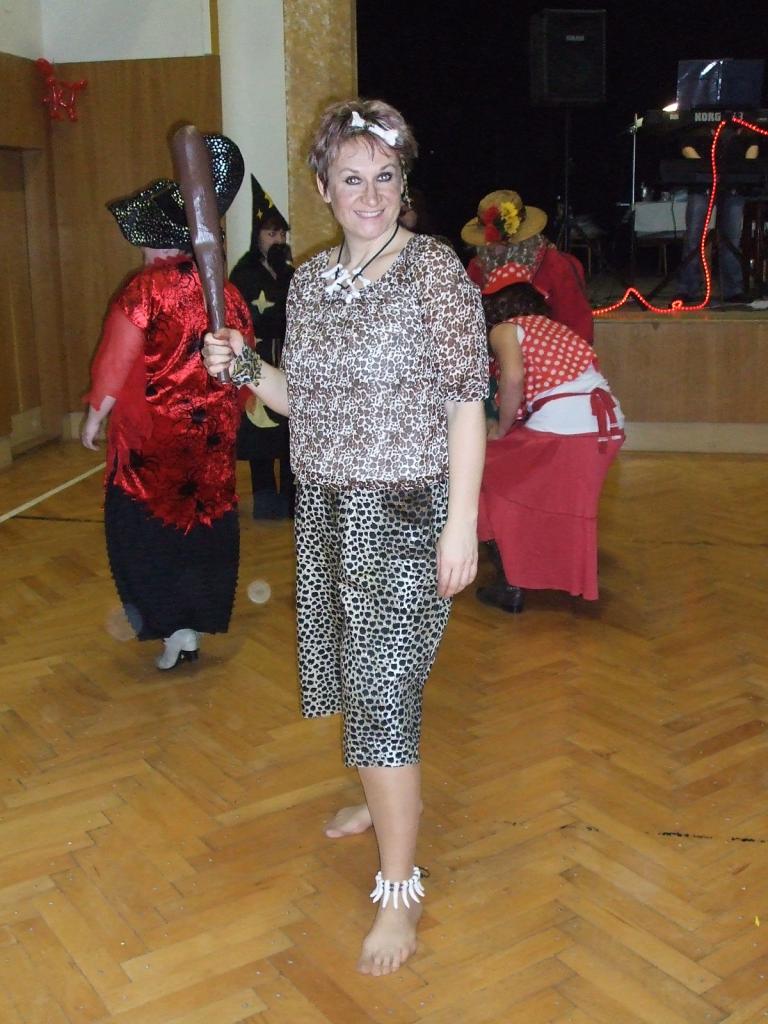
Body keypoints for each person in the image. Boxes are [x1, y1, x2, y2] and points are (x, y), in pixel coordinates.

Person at [203, 99, 488, 975]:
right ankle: (380, 790)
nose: (370, 196)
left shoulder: (433, 271)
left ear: (404, 183)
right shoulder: (313, 281)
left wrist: (462, 522)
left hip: (406, 512)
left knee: (383, 694)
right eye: (352, 179)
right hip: (328, 511)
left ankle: (399, 889)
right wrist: (243, 365)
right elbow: (302, 401)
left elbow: (465, 401)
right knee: (368, 685)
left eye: (386, 177)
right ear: (324, 189)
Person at [81, 134, 252, 670]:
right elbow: (243, 366)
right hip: (210, 444)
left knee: (148, 533)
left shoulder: (144, 291)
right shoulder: (228, 294)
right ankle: (192, 626)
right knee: (202, 528)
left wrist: (94, 415)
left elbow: (115, 360)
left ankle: (172, 625)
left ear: (158, 244)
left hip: (151, 445)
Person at [477, 261, 624, 613]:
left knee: (482, 474)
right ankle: (561, 572)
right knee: (557, 502)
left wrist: (500, 429)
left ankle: (511, 581)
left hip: (565, 426)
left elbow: (513, 379)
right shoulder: (555, 328)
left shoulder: (506, 330)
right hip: (606, 425)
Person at [229, 176, 295, 518]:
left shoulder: (290, 273)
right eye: (271, 234)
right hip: (258, 360)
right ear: (258, 236)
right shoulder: (244, 273)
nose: (278, 240)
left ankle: (293, 500)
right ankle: (266, 502)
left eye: (281, 234)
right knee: (260, 434)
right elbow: (242, 319)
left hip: (288, 361)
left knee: (290, 433)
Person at [462, 189, 594, 342]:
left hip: (547, 351)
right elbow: (468, 324)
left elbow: (579, 329)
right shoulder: (477, 268)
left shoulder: (556, 266)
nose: (494, 249)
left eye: (505, 243)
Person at [673, 123, 759, 304]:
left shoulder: (743, 124)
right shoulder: (698, 126)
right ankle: (687, 288)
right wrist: (706, 171)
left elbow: (753, 147)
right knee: (694, 237)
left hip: (733, 185)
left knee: (731, 239)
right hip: (702, 186)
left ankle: (733, 290)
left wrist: (743, 172)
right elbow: (686, 146)